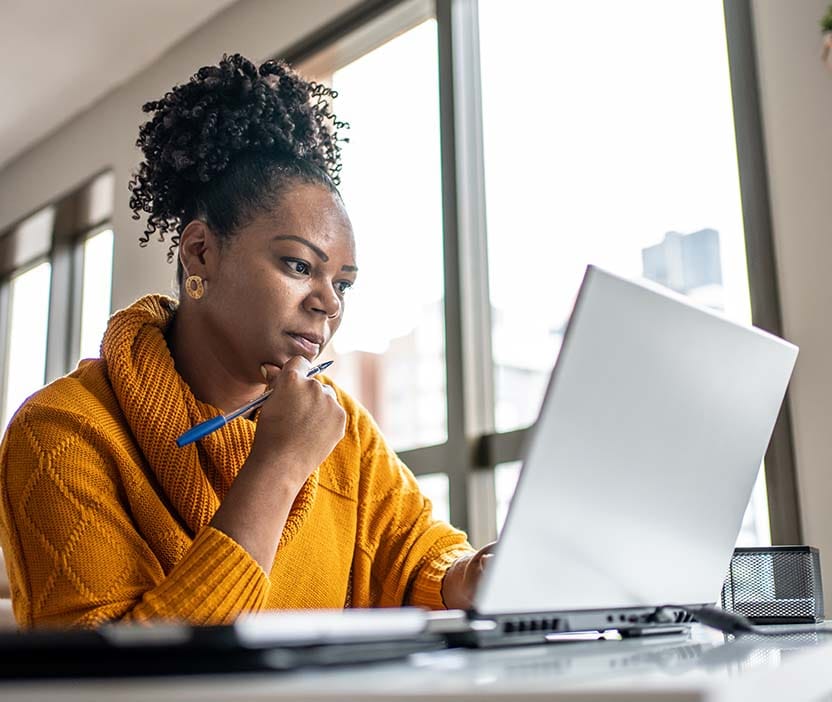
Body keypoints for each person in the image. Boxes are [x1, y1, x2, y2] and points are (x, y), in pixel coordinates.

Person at [0, 54, 492, 629]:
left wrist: (470, 573)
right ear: (201, 252)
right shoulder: (61, 432)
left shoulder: (344, 428)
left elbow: (415, 558)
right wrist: (278, 466)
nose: (329, 303)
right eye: (297, 264)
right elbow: (115, 687)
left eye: (343, 284)